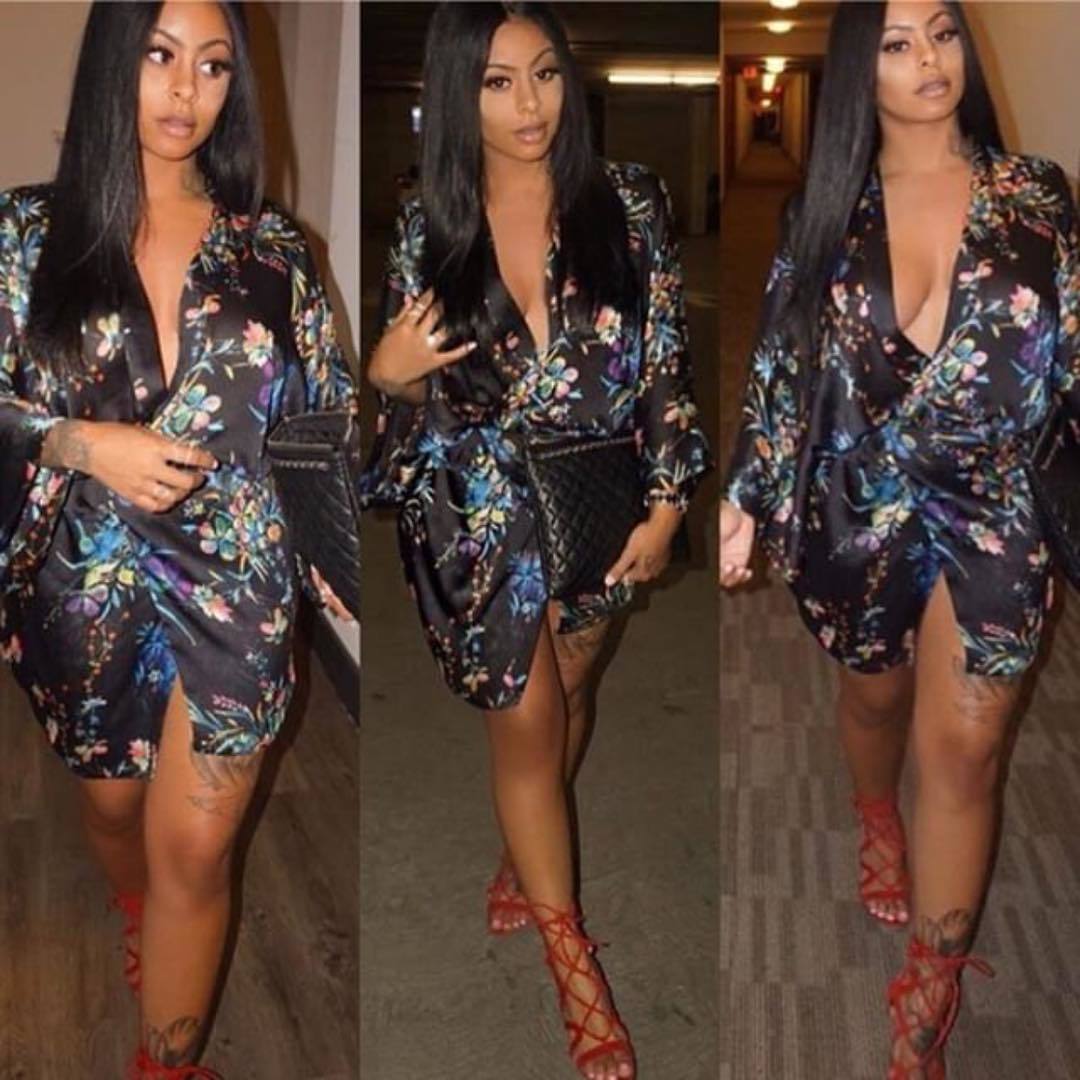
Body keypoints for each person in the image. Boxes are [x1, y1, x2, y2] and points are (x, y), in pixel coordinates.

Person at [720, 1, 1078, 1075]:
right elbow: (784, 358)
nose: (931, 58)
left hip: (1000, 503)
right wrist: (746, 492)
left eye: (944, 32)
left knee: (965, 750)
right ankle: (876, 810)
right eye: (897, 42)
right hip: (859, 502)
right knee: (875, 698)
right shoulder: (828, 207)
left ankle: (931, 976)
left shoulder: (1038, 196)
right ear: (858, 70)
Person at [0, 3, 356, 1075]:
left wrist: (336, 563)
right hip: (81, 577)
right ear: (117, 61)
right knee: (115, 812)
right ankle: (132, 902)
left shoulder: (275, 250)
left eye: (213, 66)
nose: (185, 91)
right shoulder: (24, 235)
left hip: (240, 578)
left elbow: (322, 418)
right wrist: (73, 440)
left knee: (197, 853)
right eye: (159, 57)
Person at [361, 3, 710, 1077]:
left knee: (573, 686)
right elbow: (408, 388)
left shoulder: (629, 203)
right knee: (526, 719)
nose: (529, 105)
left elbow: (664, 361)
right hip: (478, 508)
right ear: (458, 93)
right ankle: (575, 969)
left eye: (546, 74)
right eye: (498, 81)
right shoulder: (427, 224)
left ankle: (526, 854)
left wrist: (669, 501)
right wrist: (386, 377)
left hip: (599, 497)